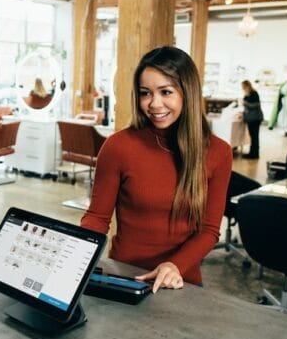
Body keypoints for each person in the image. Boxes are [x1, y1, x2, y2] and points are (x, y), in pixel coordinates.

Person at [81, 46, 232, 290]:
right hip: (125, 277)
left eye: (166, 92)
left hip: (181, 281)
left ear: (187, 93)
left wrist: (174, 265)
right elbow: (97, 218)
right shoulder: (118, 146)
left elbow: (209, 230)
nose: (154, 104)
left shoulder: (218, 153)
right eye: (145, 93)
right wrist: (77, 255)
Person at [241, 80, 263, 159]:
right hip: (250, 119)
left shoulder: (254, 94)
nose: (243, 88)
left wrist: (246, 103)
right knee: (252, 136)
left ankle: (255, 154)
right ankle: (252, 152)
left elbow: (256, 105)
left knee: (255, 137)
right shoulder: (247, 95)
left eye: (243, 87)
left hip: (255, 119)